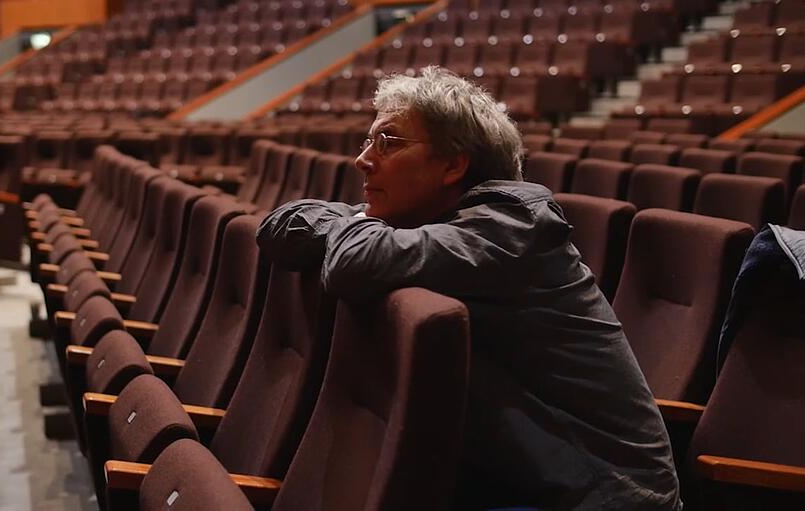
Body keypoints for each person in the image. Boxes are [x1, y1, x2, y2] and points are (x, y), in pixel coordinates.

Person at [256, 66, 681, 510]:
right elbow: (281, 225)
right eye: (367, 142)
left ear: (453, 164)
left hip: (601, 496)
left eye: (388, 143)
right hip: (514, 475)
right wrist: (357, 223)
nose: (363, 159)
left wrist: (357, 223)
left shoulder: (513, 226)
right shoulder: (429, 220)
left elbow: (352, 261)